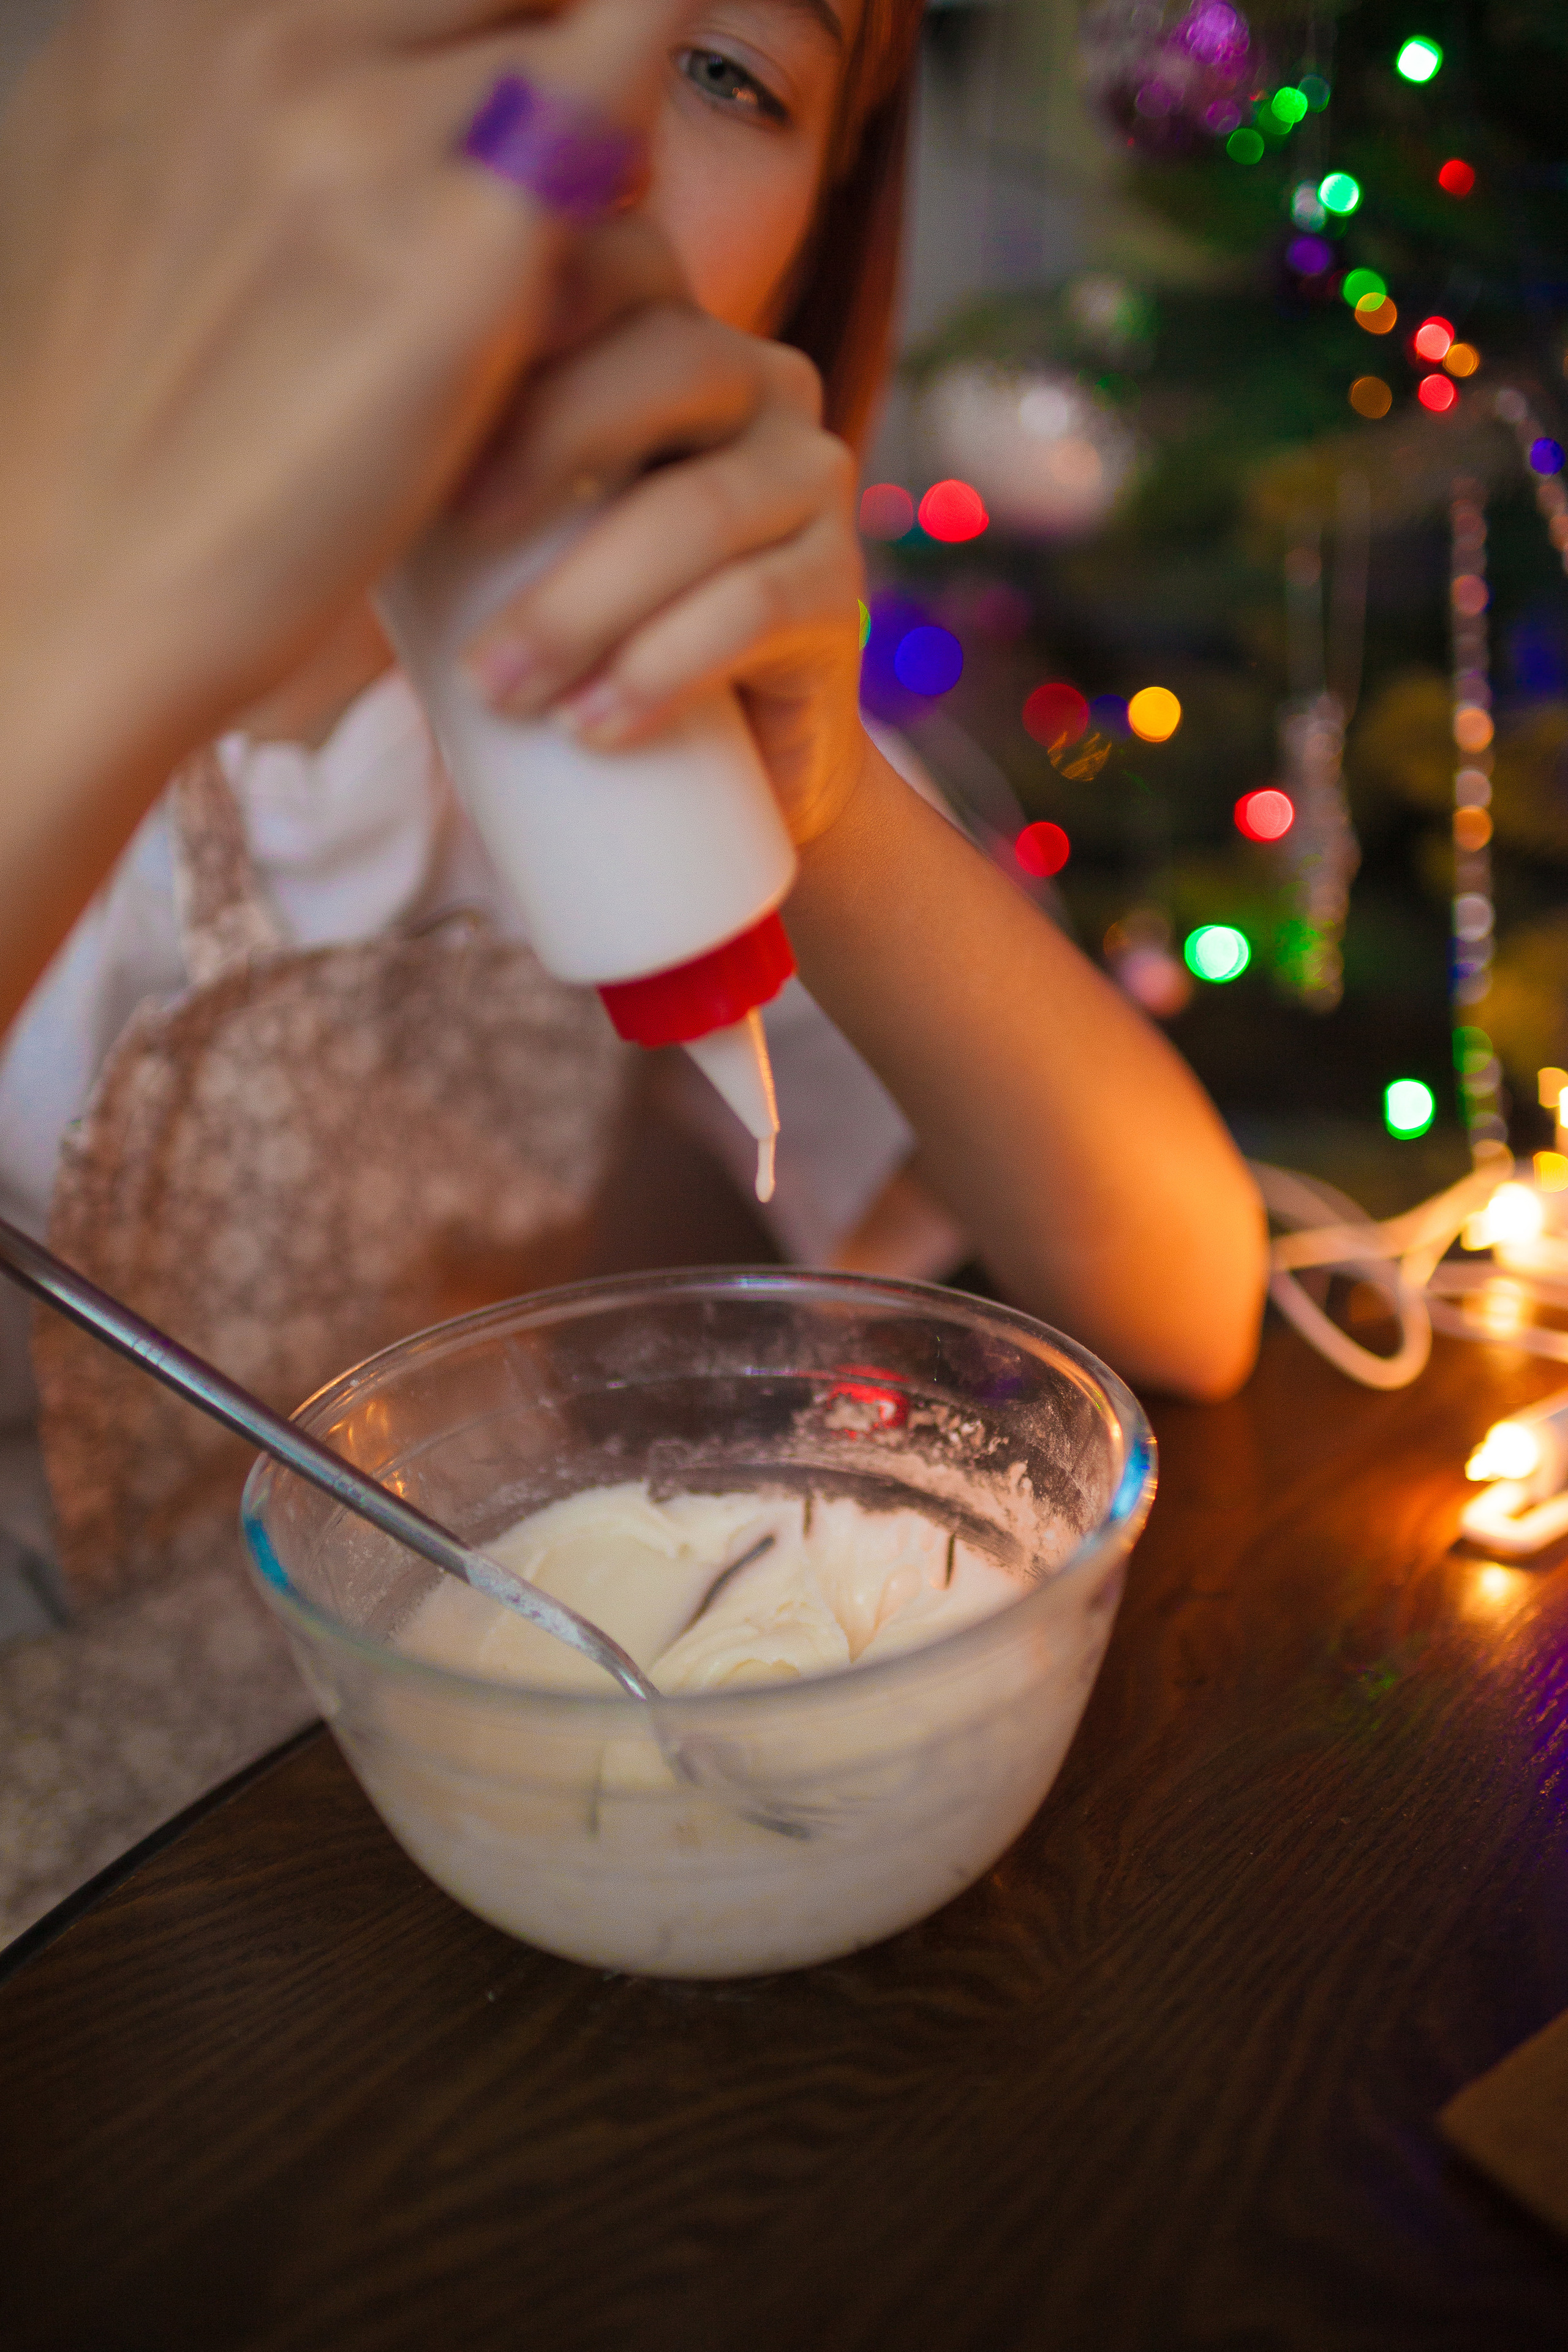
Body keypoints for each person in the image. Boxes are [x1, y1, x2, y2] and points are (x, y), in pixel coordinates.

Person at [0, 0, 1267, 1629]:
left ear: (805, 262)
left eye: (728, 70)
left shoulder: (649, 696)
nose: (583, 143)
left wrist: (826, 814)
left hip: (458, 1683)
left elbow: (1187, 1294)